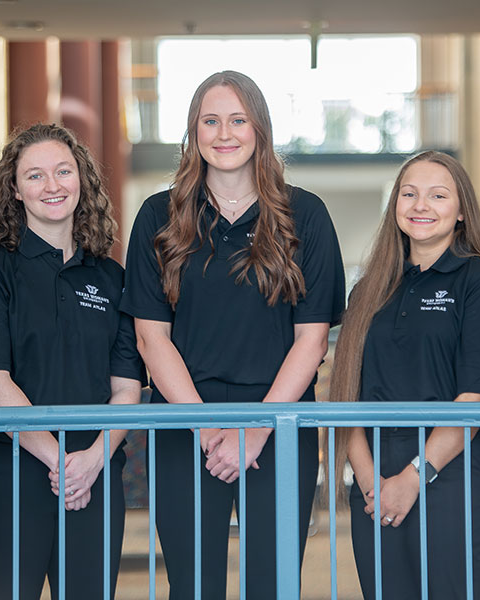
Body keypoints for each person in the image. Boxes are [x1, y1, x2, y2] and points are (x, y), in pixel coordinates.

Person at [121, 70, 345, 598]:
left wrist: (257, 430)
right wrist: (207, 431)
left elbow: (310, 342)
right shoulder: (159, 215)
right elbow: (153, 341)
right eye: (211, 120)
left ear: (260, 130)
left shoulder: (304, 215)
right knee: (192, 584)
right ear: (193, 132)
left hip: (280, 421)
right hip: (184, 422)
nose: (225, 133)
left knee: (272, 583)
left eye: (238, 120)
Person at [0, 123, 145, 599]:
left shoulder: (111, 276)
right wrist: (62, 463)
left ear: (82, 179)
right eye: (35, 175)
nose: (52, 185)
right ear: (15, 190)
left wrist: (92, 461)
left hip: (96, 472)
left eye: (63, 171)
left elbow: (125, 389)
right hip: (10, 473)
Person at [329, 151, 480, 599]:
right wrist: (372, 480)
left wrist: (413, 478)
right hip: (373, 473)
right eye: (409, 194)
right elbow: (345, 395)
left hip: (449, 471)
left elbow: (477, 396)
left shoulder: (479, 282)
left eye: (438, 195)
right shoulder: (370, 288)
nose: (421, 205)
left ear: (460, 211)